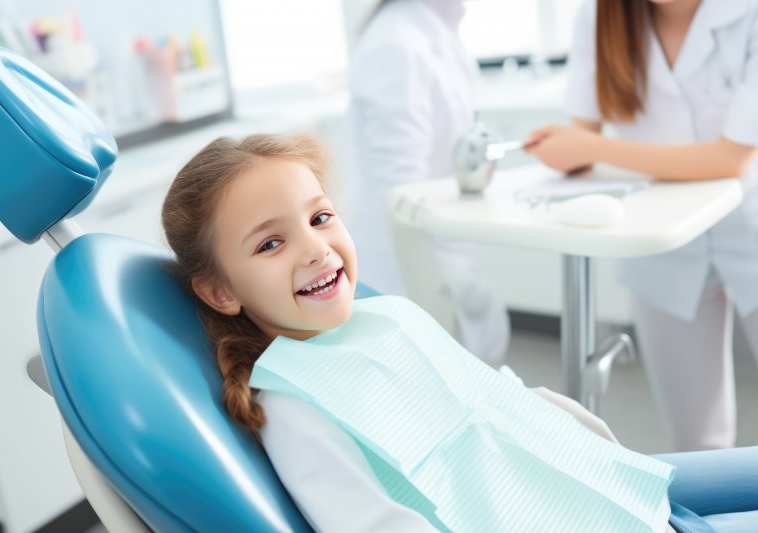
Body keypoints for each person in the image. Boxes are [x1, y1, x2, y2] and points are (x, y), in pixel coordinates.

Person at [158, 132, 758, 532]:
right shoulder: (294, 405)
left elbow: (498, 400)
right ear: (221, 291)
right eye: (270, 243)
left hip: (600, 484)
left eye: (320, 217)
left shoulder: (387, 318)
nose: (316, 249)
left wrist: (601, 453)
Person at [527, 0, 758, 452]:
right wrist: (565, 150)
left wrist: (591, 147)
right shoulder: (600, 15)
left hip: (752, 220)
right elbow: (581, 136)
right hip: (662, 241)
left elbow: (734, 158)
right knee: (698, 442)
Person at [347, 0, 510, 365]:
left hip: (446, 250)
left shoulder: (436, 31)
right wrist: (448, 278)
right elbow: (401, 191)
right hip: (408, 269)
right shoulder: (396, 43)